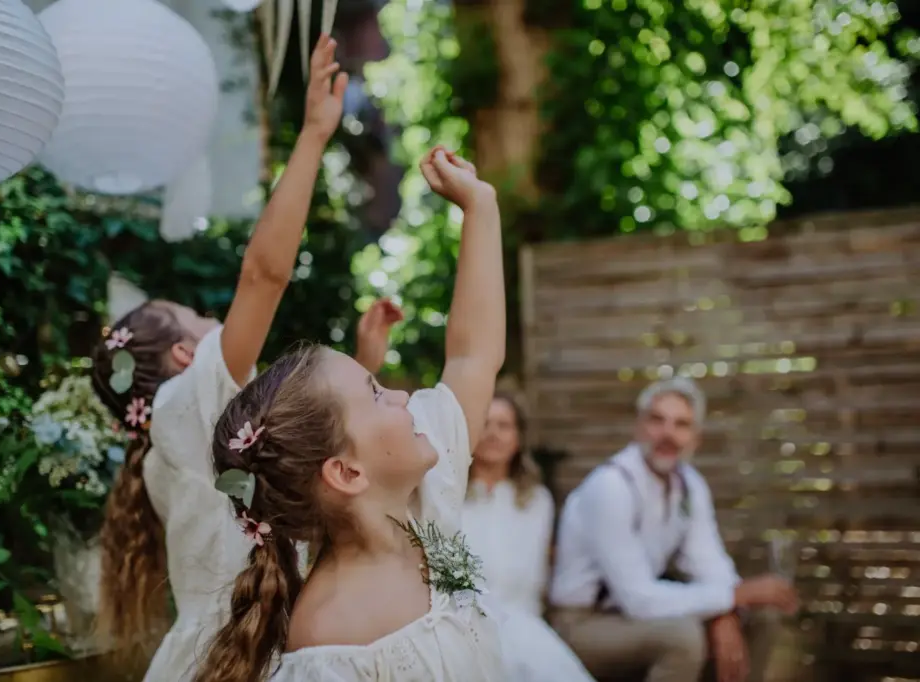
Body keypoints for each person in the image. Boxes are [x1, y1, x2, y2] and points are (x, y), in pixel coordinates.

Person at [89, 35, 400, 681]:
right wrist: (312, 135)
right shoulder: (185, 402)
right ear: (185, 353)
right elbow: (263, 275)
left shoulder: (186, 434)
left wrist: (365, 362)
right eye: (197, 316)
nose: (217, 322)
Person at [193, 145, 506, 682]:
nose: (404, 398)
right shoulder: (328, 643)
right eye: (377, 394)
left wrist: (481, 206)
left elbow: (473, 355)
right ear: (346, 472)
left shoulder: (425, 502)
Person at [548, 377, 799, 682]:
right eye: (657, 420)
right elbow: (638, 598)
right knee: (683, 638)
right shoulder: (611, 487)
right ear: (638, 427)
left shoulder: (690, 485)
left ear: (696, 438)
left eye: (681, 425)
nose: (668, 434)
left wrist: (726, 612)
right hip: (583, 624)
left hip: (637, 615)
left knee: (761, 618)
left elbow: (709, 563)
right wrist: (732, 596)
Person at [463, 394, 594, 682]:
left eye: (504, 425)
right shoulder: (449, 495)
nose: (493, 434)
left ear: (518, 437)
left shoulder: (537, 500)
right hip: (462, 621)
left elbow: (533, 578)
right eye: (485, 424)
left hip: (522, 620)